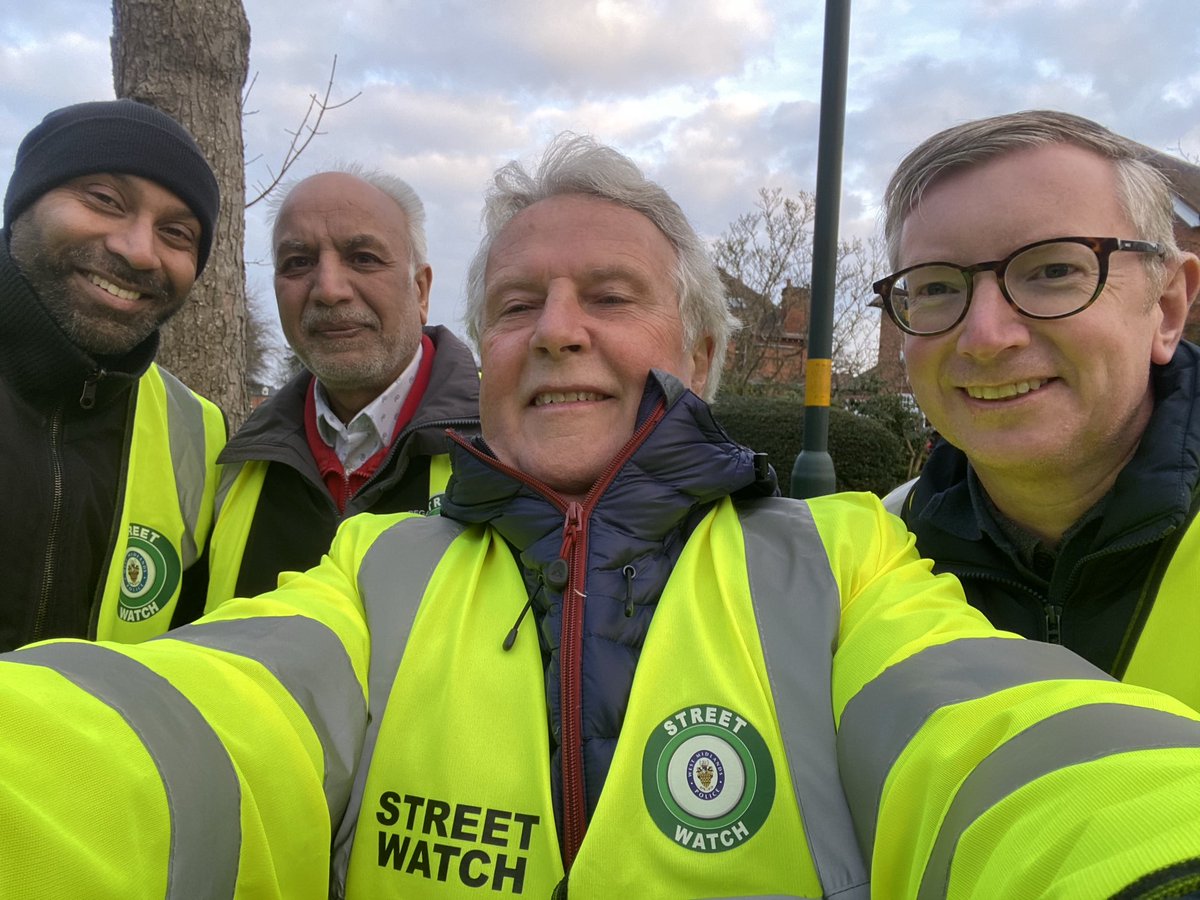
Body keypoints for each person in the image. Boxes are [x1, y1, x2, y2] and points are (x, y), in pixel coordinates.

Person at [4, 133, 1200, 899]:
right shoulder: (383, 563)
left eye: (611, 296)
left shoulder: (840, 555)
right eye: (518, 301)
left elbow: (1002, 746)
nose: (558, 329)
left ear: (703, 348)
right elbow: (202, 720)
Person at [876, 110, 1200, 709]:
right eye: (937, 287)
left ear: (1168, 307)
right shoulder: (876, 554)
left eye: (1054, 270)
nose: (985, 336)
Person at [199, 167, 480, 612]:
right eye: (298, 263)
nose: (329, 290)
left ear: (421, 290)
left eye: (363, 257)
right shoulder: (232, 467)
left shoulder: (504, 451)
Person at [0, 98, 226, 651]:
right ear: (24, 203)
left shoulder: (197, 433)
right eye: (104, 200)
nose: (139, 251)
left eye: (177, 233)